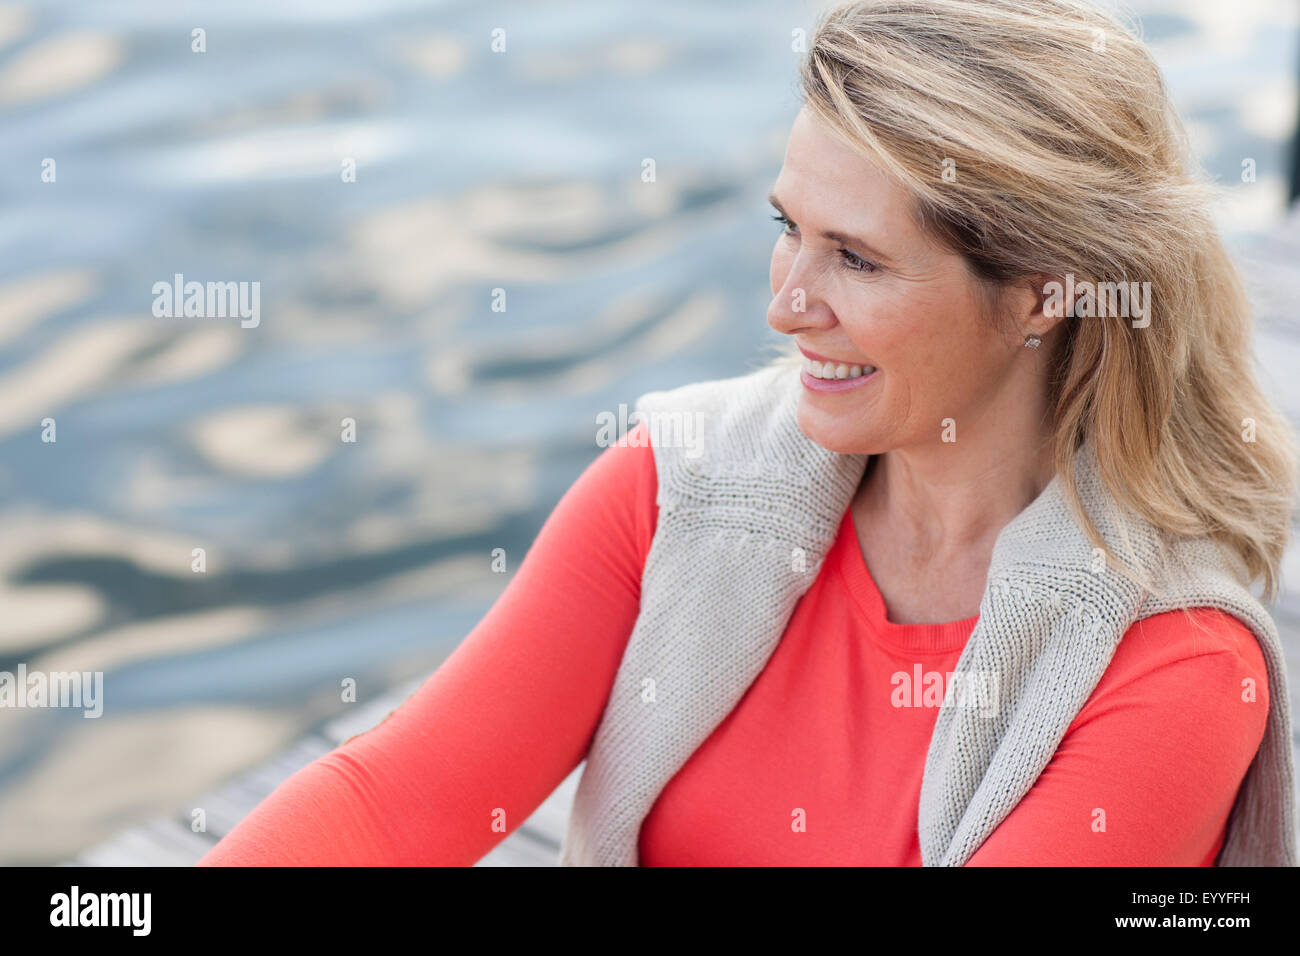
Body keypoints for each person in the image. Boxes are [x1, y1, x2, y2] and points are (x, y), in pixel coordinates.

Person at [199, 0, 1297, 866]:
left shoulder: (1177, 664)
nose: (783, 304)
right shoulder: (675, 485)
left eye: (854, 258)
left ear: (1043, 294)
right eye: (788, 230)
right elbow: (394, 806)